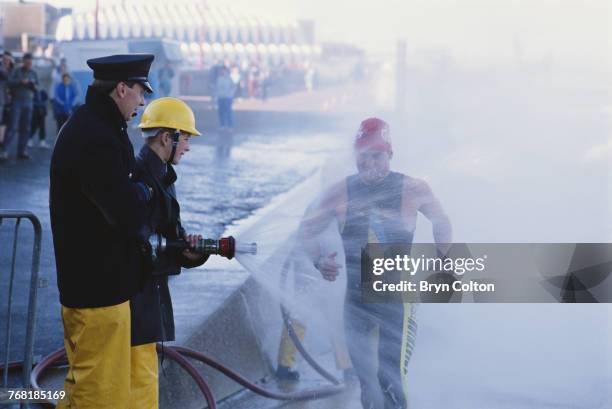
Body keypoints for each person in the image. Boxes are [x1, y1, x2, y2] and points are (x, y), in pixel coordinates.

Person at [298, 118, 452, 409]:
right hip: (356, 303)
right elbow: (306, 230)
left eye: (376, 156)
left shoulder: (413, 188)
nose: (369, 163)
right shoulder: (340, 192)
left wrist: (442, 259)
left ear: (390, 154)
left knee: (390, 378)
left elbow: (441, 221)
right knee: (366, 383)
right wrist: (319, 260)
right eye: (363, 156)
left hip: (398, 303)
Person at [50, 54, 155, 409]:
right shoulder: (96, 136)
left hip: (94, 285)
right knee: (101, 397)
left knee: (83, 388)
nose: (143, 102)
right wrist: (143, 193)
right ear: (122, 89)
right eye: (140, 92)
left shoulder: (96, 126)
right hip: (99, 290)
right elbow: (125, 212)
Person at [129, 97, 209, 408]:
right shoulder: (139, 178)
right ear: (167, 137)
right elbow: (139, 244)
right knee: (138, 378)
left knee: (144, 376)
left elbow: (168, 238)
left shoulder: (162, 175)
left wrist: (191, 253)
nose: (188, 146)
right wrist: (175, 248)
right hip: (137, 298)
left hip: (150, 295)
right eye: (186, 137)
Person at [0, 52, 38, 160]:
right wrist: (21, 81)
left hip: (29, 101)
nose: (29, 64)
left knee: (25, 128)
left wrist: (33, 85)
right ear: (23, 62)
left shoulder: (33, 72)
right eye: (27, 62)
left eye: (30, 62)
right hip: (17, 101)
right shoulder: (17, 71)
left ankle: (22, 151)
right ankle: (5, 151)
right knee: (12, 126)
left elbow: (38, 87)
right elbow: (9, 82)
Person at [214, 66, 236, 130]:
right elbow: (217, 88)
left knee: (228, 112)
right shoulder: (219, 78)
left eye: (223, 70)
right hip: (220, 97)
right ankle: (222, 125)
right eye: (221, 70)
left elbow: (234, 86)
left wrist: (231, 93)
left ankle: (230, 126)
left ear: (226, 71)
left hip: (227, 97)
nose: (222, 71)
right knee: (221, 112)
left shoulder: (229, 78)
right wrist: (216, 96)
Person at [0, 51, 14, 148]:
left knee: (6, 122)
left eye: (8, 59)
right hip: (1, 100)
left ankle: (2, 143)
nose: (6, 61)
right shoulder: (2, 70)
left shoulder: (13, 70)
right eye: (4, 59)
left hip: (9, 101)